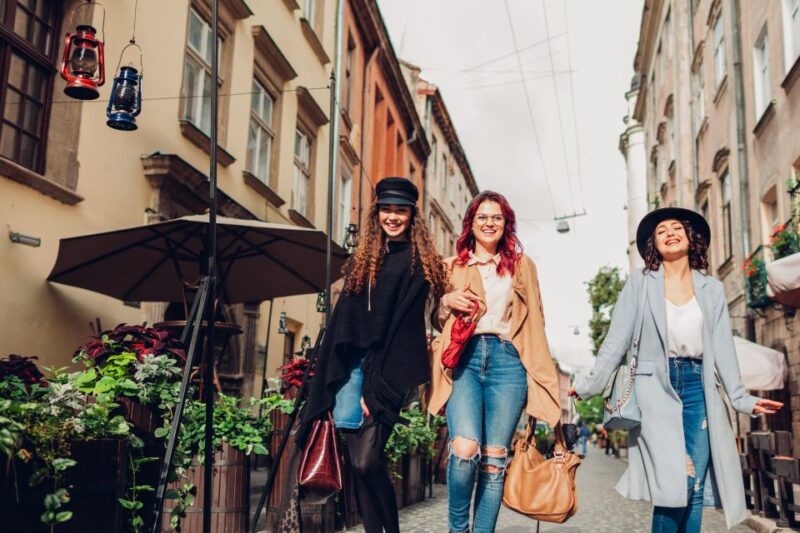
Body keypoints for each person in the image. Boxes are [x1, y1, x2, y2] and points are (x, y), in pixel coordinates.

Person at [568, 207, 782, 533]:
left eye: (676, 228)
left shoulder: (711, 289)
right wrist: (589, 385)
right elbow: (616, 340)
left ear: (690, 237)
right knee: (674, 483)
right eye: (661, 230)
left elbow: (724, 349)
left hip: (699, 388)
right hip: (654, 388)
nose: (669, 233)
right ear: (653, 243)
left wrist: (742, 399)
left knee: (693, 486)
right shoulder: (640, 284)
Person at [297, 177, 446, 533]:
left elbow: (403, 329)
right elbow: (343, 323)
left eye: (400, 210)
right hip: (349, 371)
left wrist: (375, 386)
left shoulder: (417, 264)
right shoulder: (364, 260)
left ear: (412, 215)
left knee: (368, 461)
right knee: (357, 464)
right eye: (386, 209)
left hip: (387, 370)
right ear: (376, 212)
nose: (392, 217)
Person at [428, 190, 561, 533]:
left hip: (508, 362)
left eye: (496, 217)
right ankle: (458, 529)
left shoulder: (522, 266)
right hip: (465, 360)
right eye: (483, 217)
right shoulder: (451, 266)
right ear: (471, 223)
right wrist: (445, 301)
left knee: (494, 459)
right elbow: (435, 320)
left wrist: (543, 382)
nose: (489, 223)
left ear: (506, 224)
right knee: (464, 448)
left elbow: (536, 322)